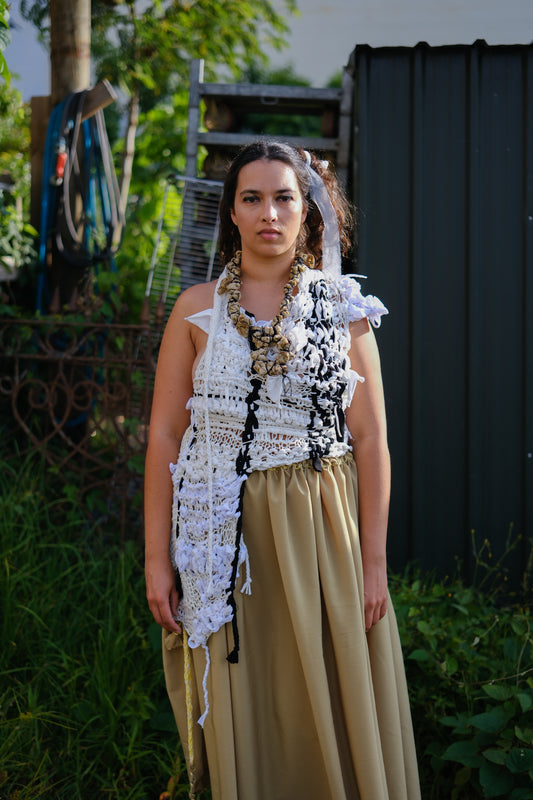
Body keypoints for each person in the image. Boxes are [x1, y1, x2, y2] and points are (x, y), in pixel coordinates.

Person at [144, 140, 421, 800]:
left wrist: (373, 563)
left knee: (326, 686)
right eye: (252, 198)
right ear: (232, 212)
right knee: (249, 688)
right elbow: (164, 435)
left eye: (283, 198)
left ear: (308, 211)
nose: (268, 213)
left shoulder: (343, 309)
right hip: (222, 534)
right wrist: (157, 558)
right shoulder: (195, 309)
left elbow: (371, 438)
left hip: (320, 530)